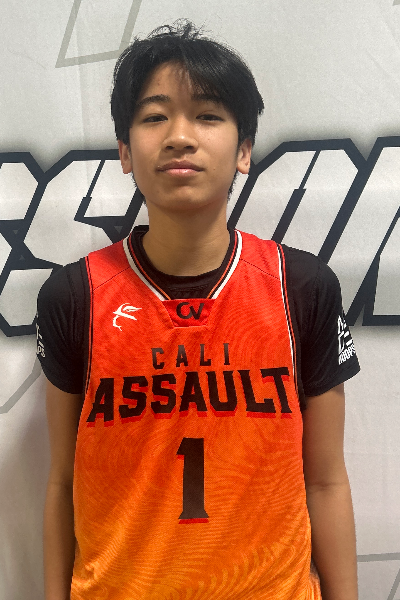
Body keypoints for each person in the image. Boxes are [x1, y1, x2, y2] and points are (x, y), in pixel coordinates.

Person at [37, 21, 360, 600]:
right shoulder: (74, 296)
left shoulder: (301, 286)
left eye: (207, 116)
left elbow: (327, 481)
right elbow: (63, 481)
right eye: (154, 117)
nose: (179, 137)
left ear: (243, 151)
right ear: (124, 151)